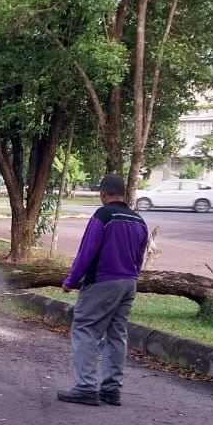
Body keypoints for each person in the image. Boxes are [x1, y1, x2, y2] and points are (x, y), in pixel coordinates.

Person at [58, 174, 149, 406]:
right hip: (129, 283)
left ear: (103, 193)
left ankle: (85, 387)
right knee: (117, 334)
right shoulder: (139, 220)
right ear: (124, 194)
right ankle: (111, 389)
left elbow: (87, 251)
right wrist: (132, 276)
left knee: (85, 329)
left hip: (103, 281)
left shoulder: (104, 215)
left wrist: (71, 280)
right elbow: (140, 256)